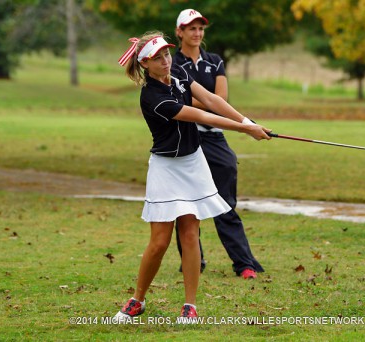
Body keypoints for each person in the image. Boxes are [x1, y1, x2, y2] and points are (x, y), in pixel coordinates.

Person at [113, 31, 271, 322]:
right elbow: (201, 116)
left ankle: (190, 306)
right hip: (165, 168)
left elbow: (210, 100)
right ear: (145, 64)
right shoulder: (152, 97)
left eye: (167, 54)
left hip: (193, 162)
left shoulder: (181, 74)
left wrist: (247, 121)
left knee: (190, 232)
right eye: (158, 58)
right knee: (159, 241)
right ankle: (138, 299)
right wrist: (246, 131)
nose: (166, 61)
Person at [173, 9, 265, 280]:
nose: (197, 33)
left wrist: (213, 105)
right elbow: (187, 101)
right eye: (191, 28)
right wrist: (210, 102)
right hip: (187, 136)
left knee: (226, 201)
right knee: (187, 203)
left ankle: (244, 263)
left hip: (214, 136)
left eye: (200, 28)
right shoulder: (172, 64)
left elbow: (220, 98)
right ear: (179, 32)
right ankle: (193, 260)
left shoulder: (214, 62)